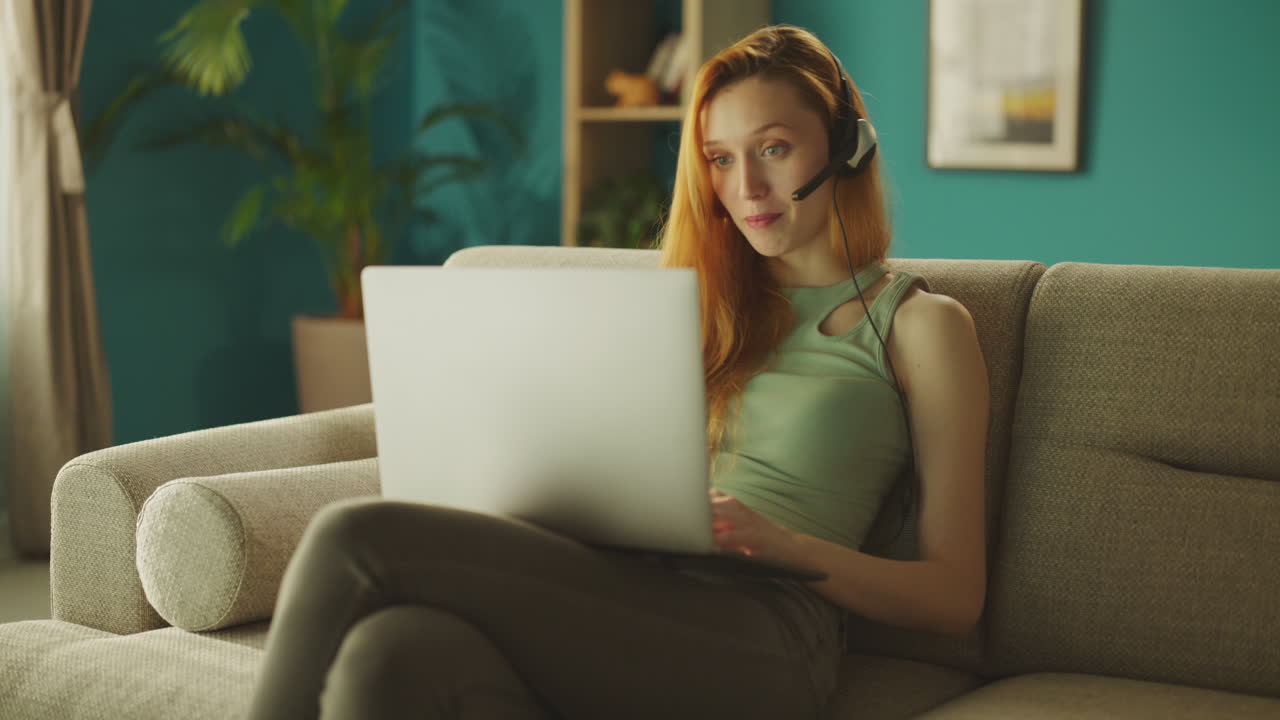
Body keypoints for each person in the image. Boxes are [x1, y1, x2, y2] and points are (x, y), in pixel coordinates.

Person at [246, 24, 989, 720]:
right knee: (393, 654)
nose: (747, 188)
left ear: (846, 146)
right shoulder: (689, 309)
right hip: (625, 588)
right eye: (721, 160)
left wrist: (785, 544)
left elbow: (956, 597)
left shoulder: (921, 327)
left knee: (358, 537)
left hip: (768, 631)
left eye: (773, 149)